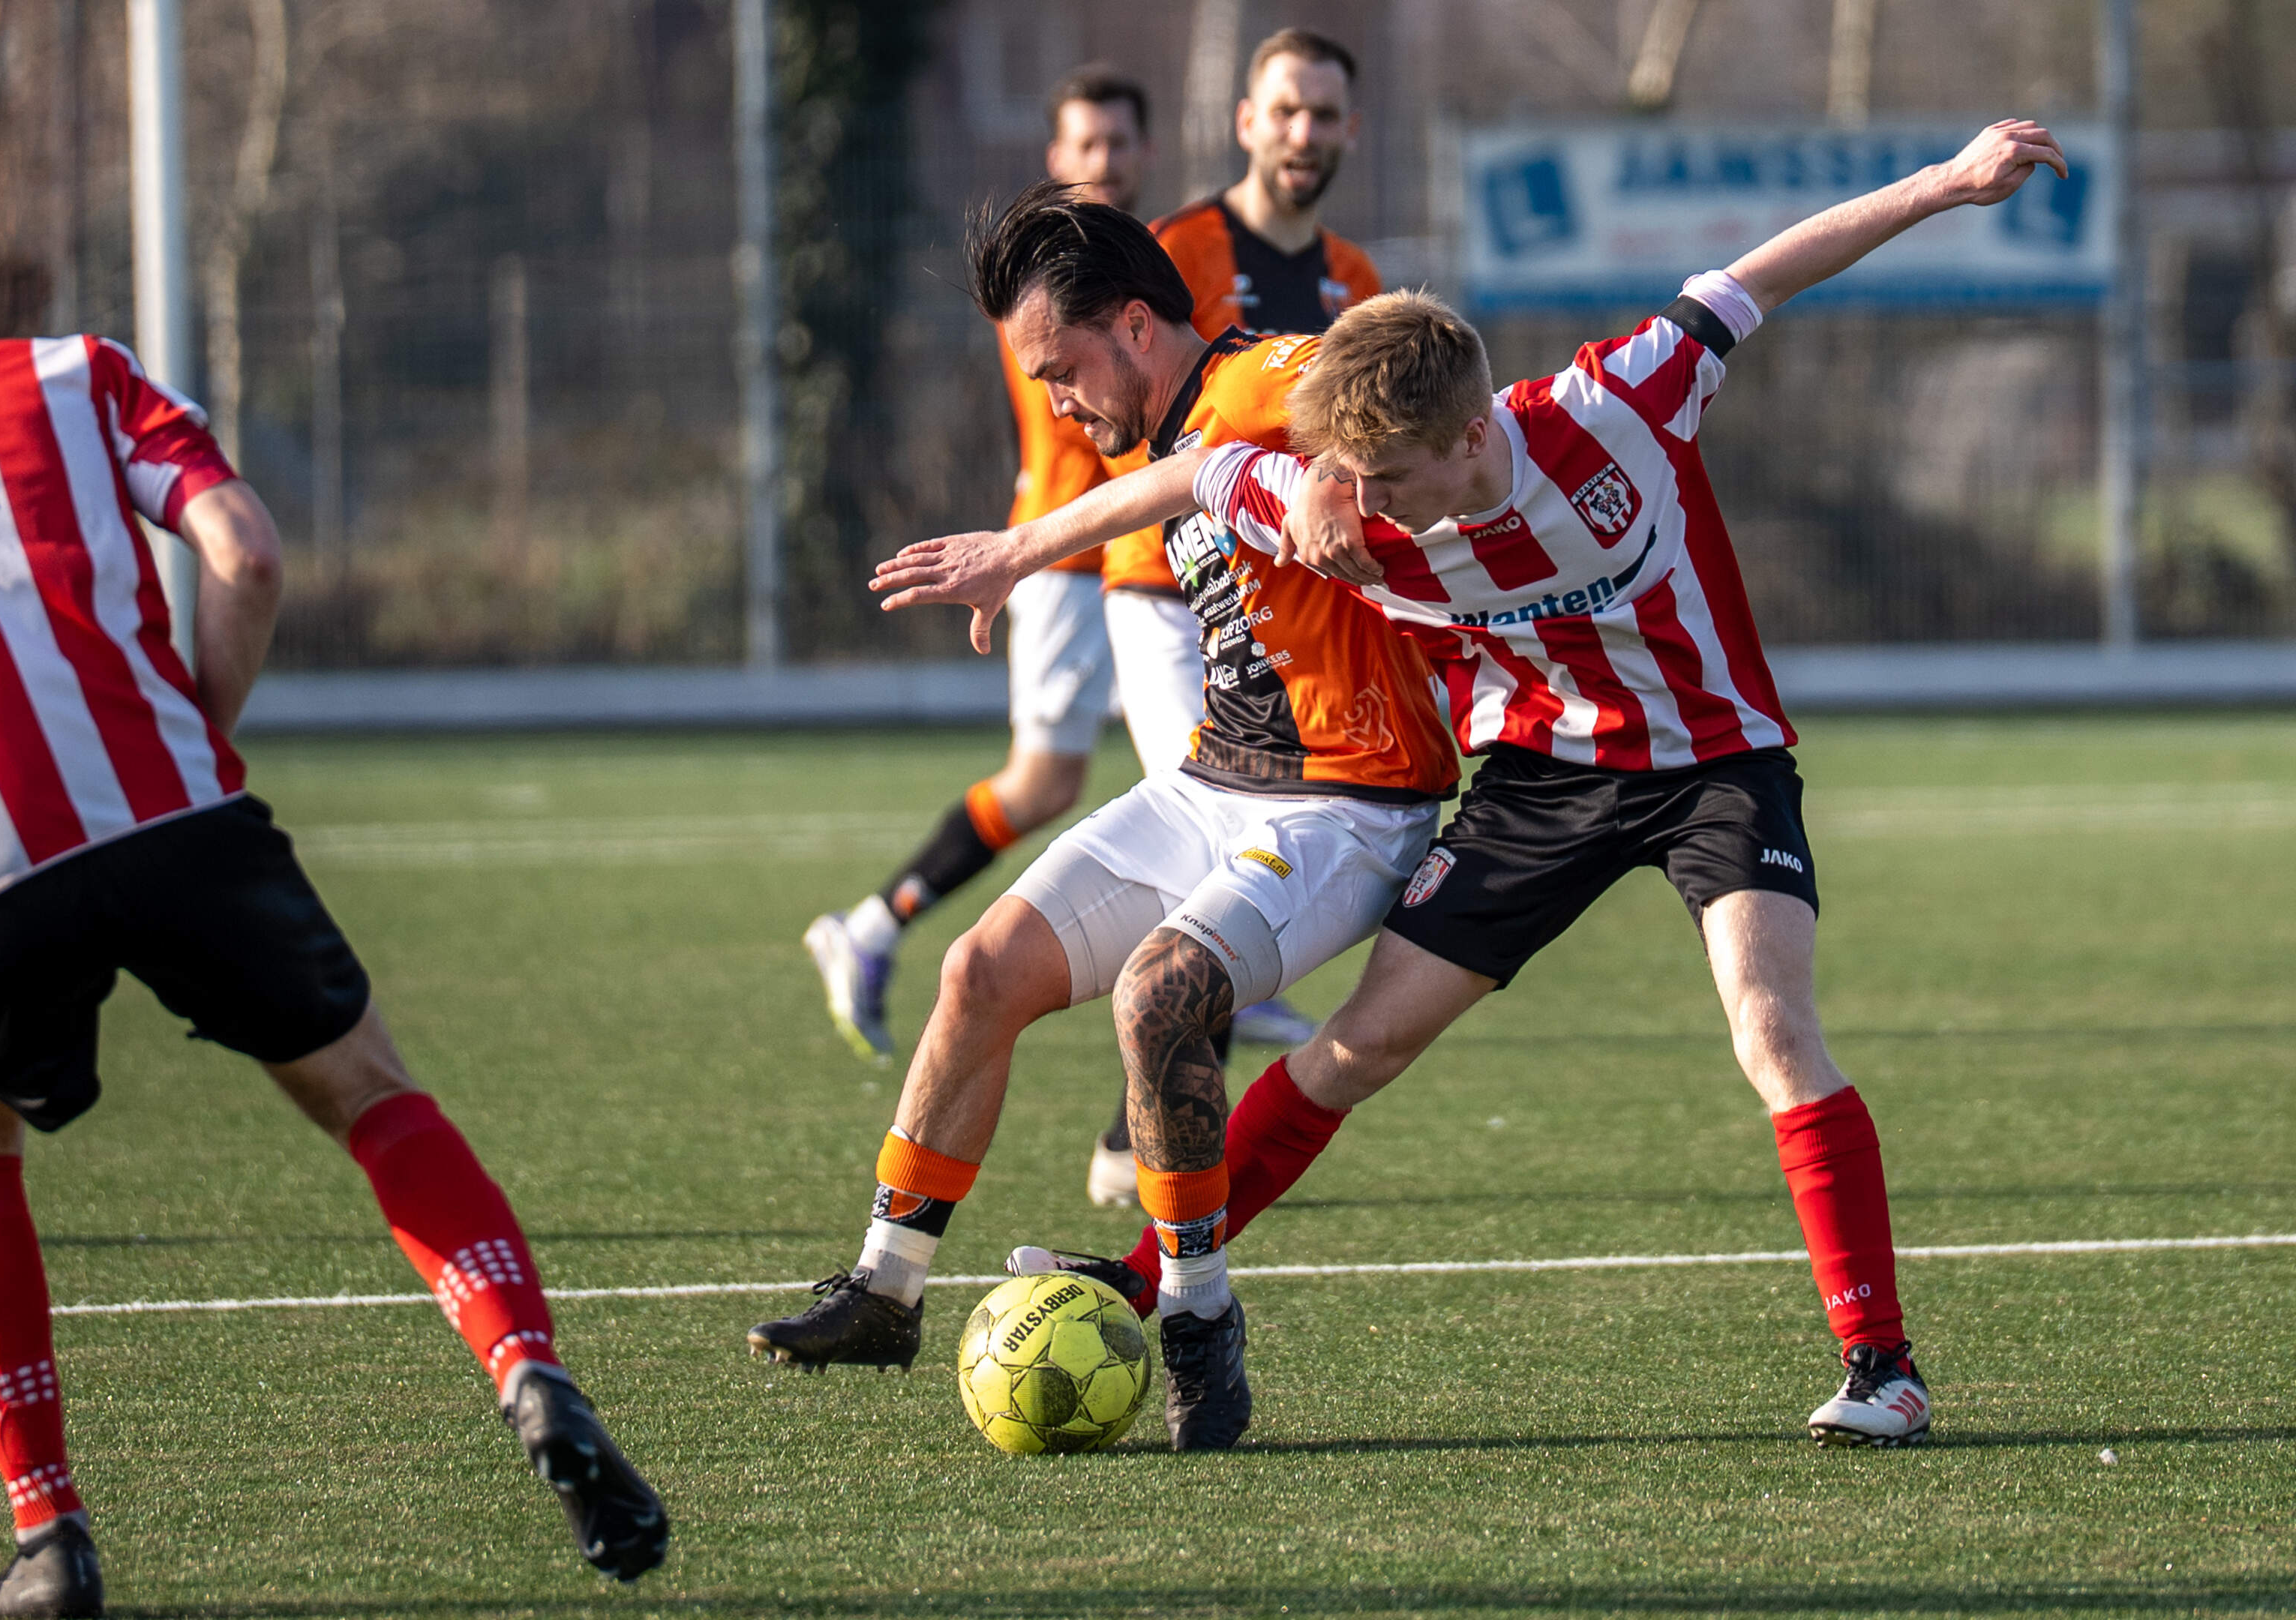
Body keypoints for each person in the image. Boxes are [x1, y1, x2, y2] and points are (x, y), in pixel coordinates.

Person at [878, 119, 2073, 1451]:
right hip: (1540, 779)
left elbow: (1772, 270)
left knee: (1771, 1028)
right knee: (1358, 1047)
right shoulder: (1345, 496)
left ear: (1465, 437)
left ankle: (1881, 1367)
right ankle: (1153, 1285)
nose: (1364, 515)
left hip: (1714, 763)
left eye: (1386, 481)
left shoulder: (1621, 396)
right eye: (1353, 483)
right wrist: (1025, 549)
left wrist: (1951, 181)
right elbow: (1200, 469)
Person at [0, 154, 667, 1616]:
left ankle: (48, 1538)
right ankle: (528, 1371)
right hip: (171, 815)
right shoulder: (79, 373)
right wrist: (192, 730)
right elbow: (248, 553)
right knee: (367, 1089)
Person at [749, 182, 1457, 1455]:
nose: (1055, 401)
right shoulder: (1169, 434)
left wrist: (1349, 472)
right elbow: (1193, 478)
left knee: (1158, 994)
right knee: (980, 968)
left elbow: (1404, 366)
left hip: (1351, 808)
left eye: (1059, 368)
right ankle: (887, 1287)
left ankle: (1195, 1317)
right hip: (1214, 782)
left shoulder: (1258, 376)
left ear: (1137, 326)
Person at [802, 68, 1154, 1072]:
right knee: (1048, 782)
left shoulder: (1140, 267)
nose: (1103, 162)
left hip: (1128, 556)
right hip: (1068, 559)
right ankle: (872, 924)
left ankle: (1213, 978)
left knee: (1167, 767)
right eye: (1085, 145)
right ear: (1056, 159)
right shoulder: (1054, 287)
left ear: (1148, 154)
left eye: (1119, 144)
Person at [1105, 28, 1389, 1048]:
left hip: (1297, 614)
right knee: (1211, 842)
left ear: (1349, 130)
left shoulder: (1354, 277)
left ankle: (1149, 1131)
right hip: (1167, 594)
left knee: (1263, 858)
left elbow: (1370, 436)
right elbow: (1113, 419)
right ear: (1245, 122)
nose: (1301, 132)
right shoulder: (1173, 251)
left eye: (1321, 114)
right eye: (1283, 111)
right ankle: (1148, 1140)